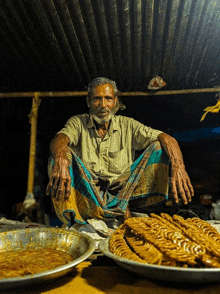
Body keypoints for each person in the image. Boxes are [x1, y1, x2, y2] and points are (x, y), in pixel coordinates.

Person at [46, 77, 194, 226]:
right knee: (57, 157)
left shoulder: (127, 125)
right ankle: (76, 217)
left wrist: (178, 166)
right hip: (89, 193)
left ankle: (124, 206)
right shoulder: (78, 122)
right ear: (88, 101)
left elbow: (165, 137)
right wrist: (61, 159)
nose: (103, 105)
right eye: (97, 99)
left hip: (124, 193)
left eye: (108, 99)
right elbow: (60, 138)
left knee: (159, 147)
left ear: (115, 101)